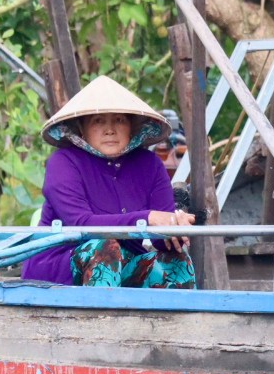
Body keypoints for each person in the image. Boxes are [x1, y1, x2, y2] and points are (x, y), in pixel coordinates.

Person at [21, 75, 196, 288]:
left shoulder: (150, 164)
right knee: (105, 247)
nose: (110, 129)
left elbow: (160, 240)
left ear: (132, 127)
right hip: (60, 267)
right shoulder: (63, 163)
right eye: (98, 121)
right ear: (82, 129)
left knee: (178, 262)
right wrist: (148, 218)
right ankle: (103, 322)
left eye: (119, 120)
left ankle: (175, 322)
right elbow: (81, 225)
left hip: (123, 262)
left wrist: (174, 231)